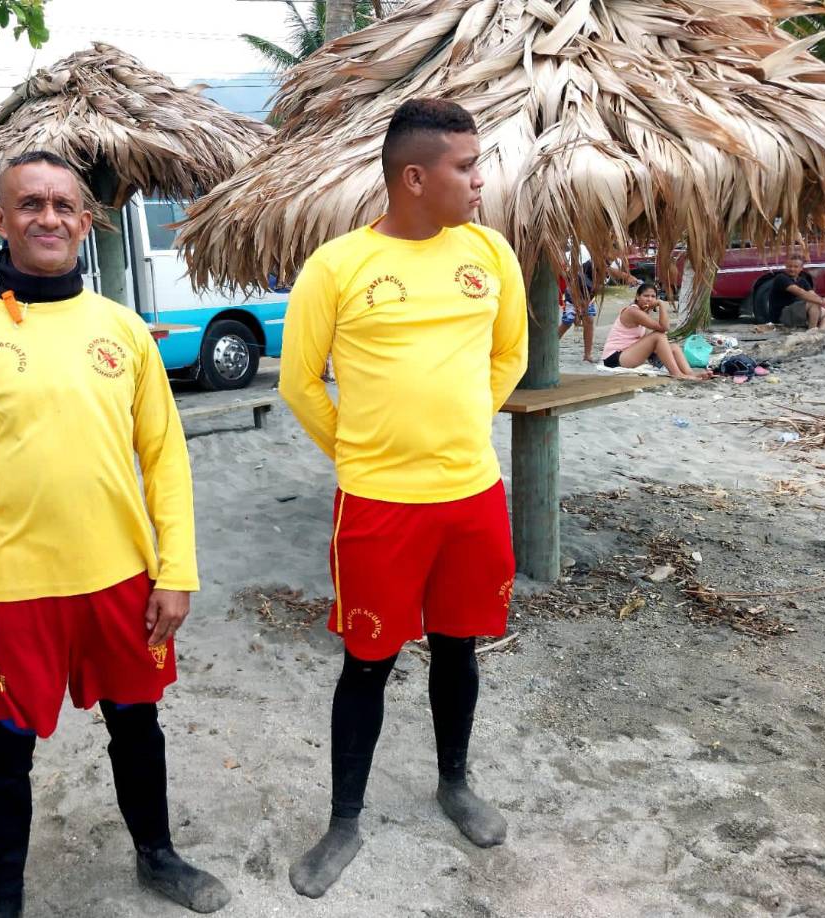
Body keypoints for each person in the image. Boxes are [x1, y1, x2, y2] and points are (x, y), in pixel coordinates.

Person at [0, 151, 230, 918]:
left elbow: (165, 458)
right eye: (30, 204)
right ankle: (5, 901)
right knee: (7, 749)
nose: (48, 217)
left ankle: (157, 856)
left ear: (86, 223)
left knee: (137, 725)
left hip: (123, 581)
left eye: (64, 205)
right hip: (16, 592)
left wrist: (176, 569)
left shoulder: (121, 329)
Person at [278, 98, 528, 899]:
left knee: (458, 646)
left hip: (471, 496)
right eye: (465, 166)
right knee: (368, 658)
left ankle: (454, 783)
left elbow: (510, 355)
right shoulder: (338, 266)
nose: (480, 179)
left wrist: (461, 428)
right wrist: (361, 452)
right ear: (414, 178)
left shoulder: (490, 255)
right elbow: (299, 382)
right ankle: (344, 819)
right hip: (378, 504)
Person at [600, 283, 710, 380]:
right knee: (659, 336)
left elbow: (648, 339)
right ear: (637, 297)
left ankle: (690, 373)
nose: (650, 299)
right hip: (614, 358)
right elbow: (664, 327)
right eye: (646, 296)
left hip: (627, 353)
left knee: (674, 347)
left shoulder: (643, 312)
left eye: (653, 296)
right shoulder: (633, 311)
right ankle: (677, 374)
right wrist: (661, 304)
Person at [558, 242, 640, 362]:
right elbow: (610, 271)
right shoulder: (596, 262)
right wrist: (627, 277)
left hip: (588, 296)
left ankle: (587, 355)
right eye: (616, 252)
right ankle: (552, 345)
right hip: (575, 294)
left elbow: (610, 272)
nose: (616, 256)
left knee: (589, 321)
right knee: (568, 322)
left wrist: (627, 277)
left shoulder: (608, 263)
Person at [770, 251, 825, 329]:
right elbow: (801, 293)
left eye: (795, 267)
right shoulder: (781, 278)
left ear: (801, 268)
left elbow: (813, 294)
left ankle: (820, 332)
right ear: (785, 266)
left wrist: (824, 301)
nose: (792, 269)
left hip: (797, 313)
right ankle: (811, 332)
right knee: (814, 302)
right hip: (782, 315)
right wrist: (821, 301)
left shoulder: (802, 280)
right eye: (789, 266)